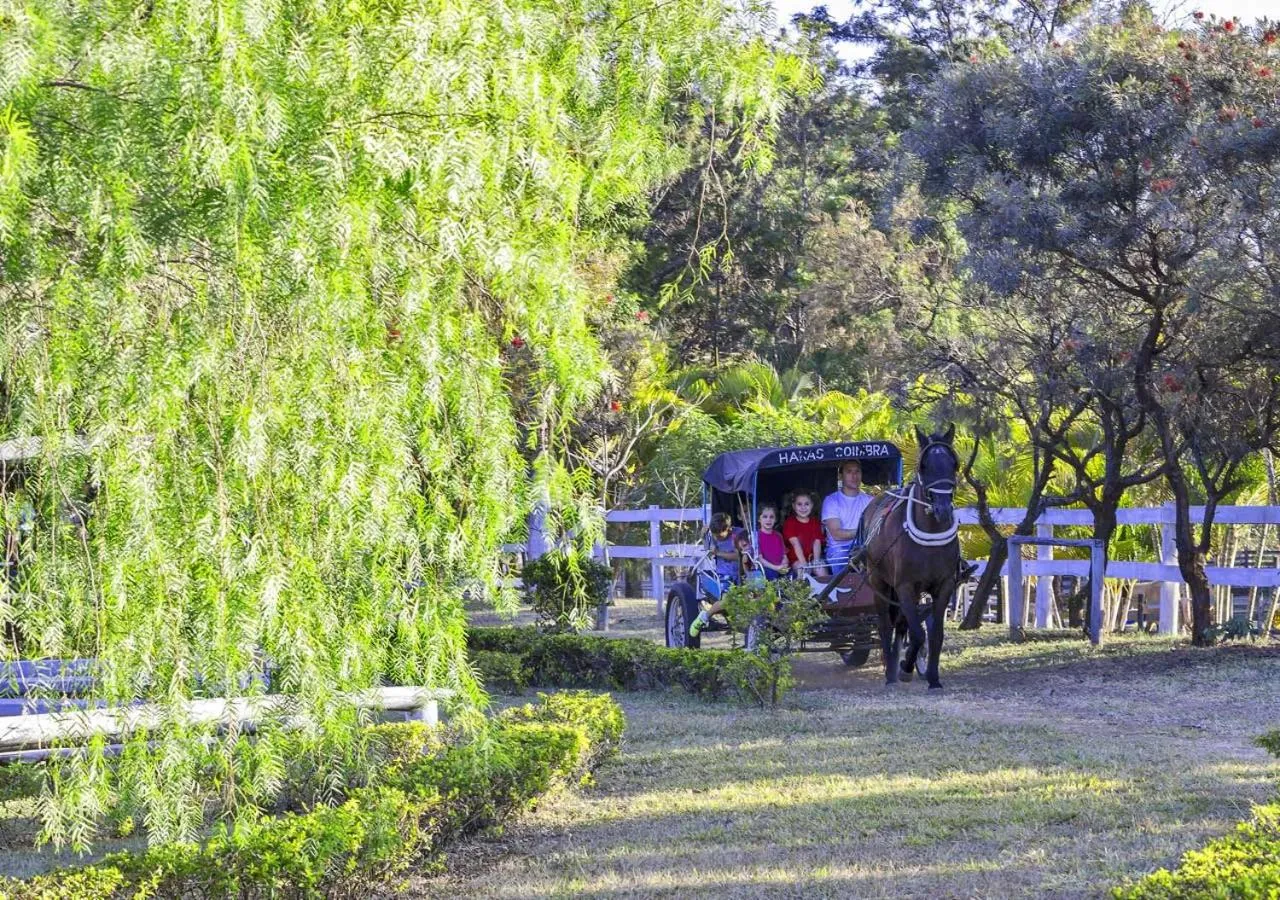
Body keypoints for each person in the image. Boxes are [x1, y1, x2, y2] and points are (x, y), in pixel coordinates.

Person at [690, 513, 744, 638]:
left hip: (741, 572)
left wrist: (719, 553)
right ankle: (704, 617)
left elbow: (738, 556)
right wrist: (704, 536)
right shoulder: (715, 534)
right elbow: (709, 551)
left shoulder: (738, 535)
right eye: (715, 536)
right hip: (725, 574)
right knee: (726, 601)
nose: (717, 538)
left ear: (728, 529)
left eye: (720, 536)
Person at [823, 460, 872, 573]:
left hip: (864, 547)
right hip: (839, 549)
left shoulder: (870, 500)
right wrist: (862, 531)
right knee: (841, 558)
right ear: (841, 476)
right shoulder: (831, 500)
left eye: (857, 471)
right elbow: (837, 534)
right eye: (849, 472)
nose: (854, 476)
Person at [782, 490, 825, 577]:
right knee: (803, 569)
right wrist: (804, 563)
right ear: (794, 506)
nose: (803, 507)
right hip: (796, 559)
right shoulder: (790, 522)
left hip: (811, 557)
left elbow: (817, 542)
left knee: (820, 569)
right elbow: (795, 544)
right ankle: (803, 590)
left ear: (812, 505)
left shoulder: (815, 522)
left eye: (807, 504)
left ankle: (827, 588)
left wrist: (816, 561)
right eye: (799, 504)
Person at [754, 504, 790, 581]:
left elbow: (784, 555)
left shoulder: (778, 535)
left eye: (771, 517)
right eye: (765, 517)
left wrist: (784, 564)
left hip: (779, 568)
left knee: (793, 575)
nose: (768, 520)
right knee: (772, 574)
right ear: (759, 519)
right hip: (767, 568)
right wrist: (776, 568)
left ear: (775, 519)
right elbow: (760, 559)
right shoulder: (756, 536)